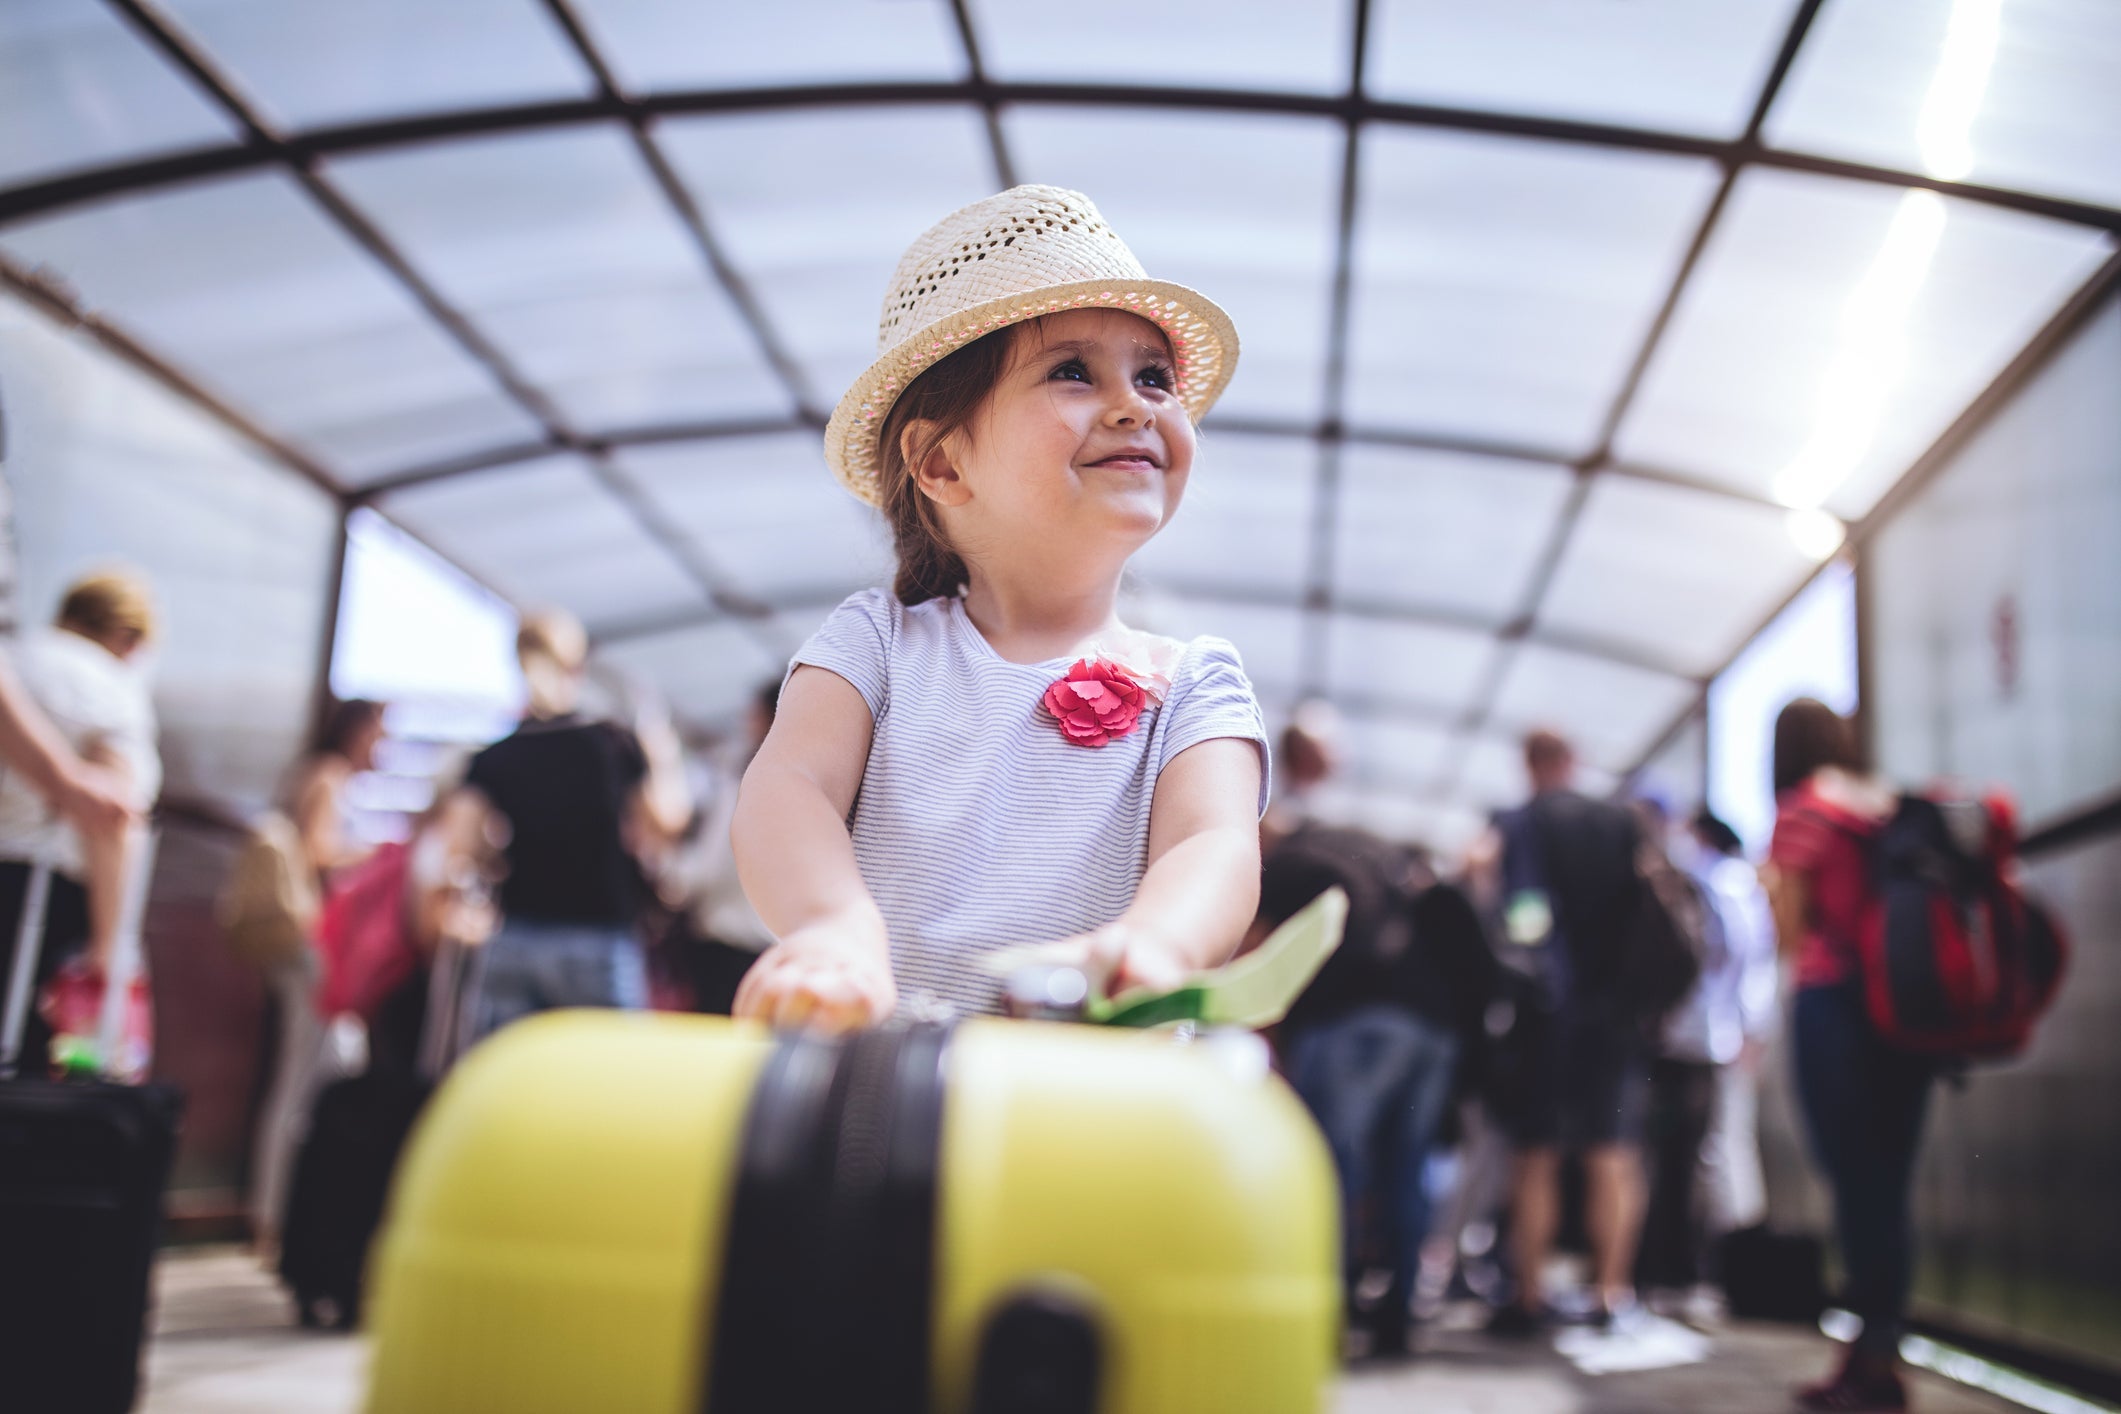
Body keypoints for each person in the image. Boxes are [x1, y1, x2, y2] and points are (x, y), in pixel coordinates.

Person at [731, 184, 1263, 1030]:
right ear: (940, 464)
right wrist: (833, 929)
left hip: (1082, 1096)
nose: (1134, 403)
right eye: (1072, 373)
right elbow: (789, 785)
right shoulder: (875, 642)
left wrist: (1153, 944)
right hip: (884, 1079)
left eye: (1154, 376)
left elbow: (1215, 845)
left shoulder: (1195, 682)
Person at [1269, 824, 1495, 1357]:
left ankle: (1331, 1307)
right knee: (1406, 1169)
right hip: (1430, 1028)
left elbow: (1264, 949)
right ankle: (1396, 1316)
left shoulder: (1289, 861)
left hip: (1357, 1020)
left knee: (1333, 1165)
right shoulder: (1382, 856)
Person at [1764, 698, 1923, 1412]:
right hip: (1906, 1012)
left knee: (1853, 1186)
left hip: (1834, 1006)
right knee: (1888, 1189)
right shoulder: (1881, 800)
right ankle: (1880, 1354)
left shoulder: (1803, 809)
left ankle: (1864, 1369)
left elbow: (1789, 933)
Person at [1478, 729, 1648, 1333]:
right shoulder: (1619, 821)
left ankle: (1528, 1297)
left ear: (1530, 763)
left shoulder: (1524, 821)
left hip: (1547, 1012)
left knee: (1537, 1155)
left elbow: (1525, 911)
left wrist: (1534, 976)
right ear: (1572, 759)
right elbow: (1640, 911)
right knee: (1613, 1152)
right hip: (1614, 1012)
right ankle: (1610, 1294)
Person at [458, 610, 691, 1045]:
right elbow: (667, 822)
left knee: (512, 1083)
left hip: (518, 932)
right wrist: (662, 753)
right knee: (607, 1088)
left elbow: (464, 845)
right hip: (598, 935)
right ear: (577, 667)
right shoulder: (611, 743)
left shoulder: (496, 755)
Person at [0, 570, 161, 1070]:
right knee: (36, 1069)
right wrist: (111, 946)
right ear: (127, 637)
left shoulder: (15, 657)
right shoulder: (108, 686)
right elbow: (112, 816)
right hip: (43, 898)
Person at [248, 698, 386, 1256]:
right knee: (306, 1079)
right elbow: (320, 852)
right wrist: (380, 856)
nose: (384, 744)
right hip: (314, 943)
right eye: (379, 731)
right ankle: (274, 1219)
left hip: (311, 946)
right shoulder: (329, 777)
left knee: (313, 1073)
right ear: (356, 731)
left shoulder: (320, 776)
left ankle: (281, 1216)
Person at [1633, 804, 1777, 1324]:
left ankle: (1693, 1273)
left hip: (1690, 1037)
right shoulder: (1724, 883)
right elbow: (1750, 956)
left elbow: (1744, 956)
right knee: (1699, 1157)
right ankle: (1688, 1275)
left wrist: (1748, 1026)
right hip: (1704, 1038)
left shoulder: (1711, 881)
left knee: (1691, 1158)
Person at [661, 681, 780, 1014]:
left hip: (727, 944)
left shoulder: (742, 781)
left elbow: (706, 868)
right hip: (776, 944)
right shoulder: (807, 786)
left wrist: (669, 873)